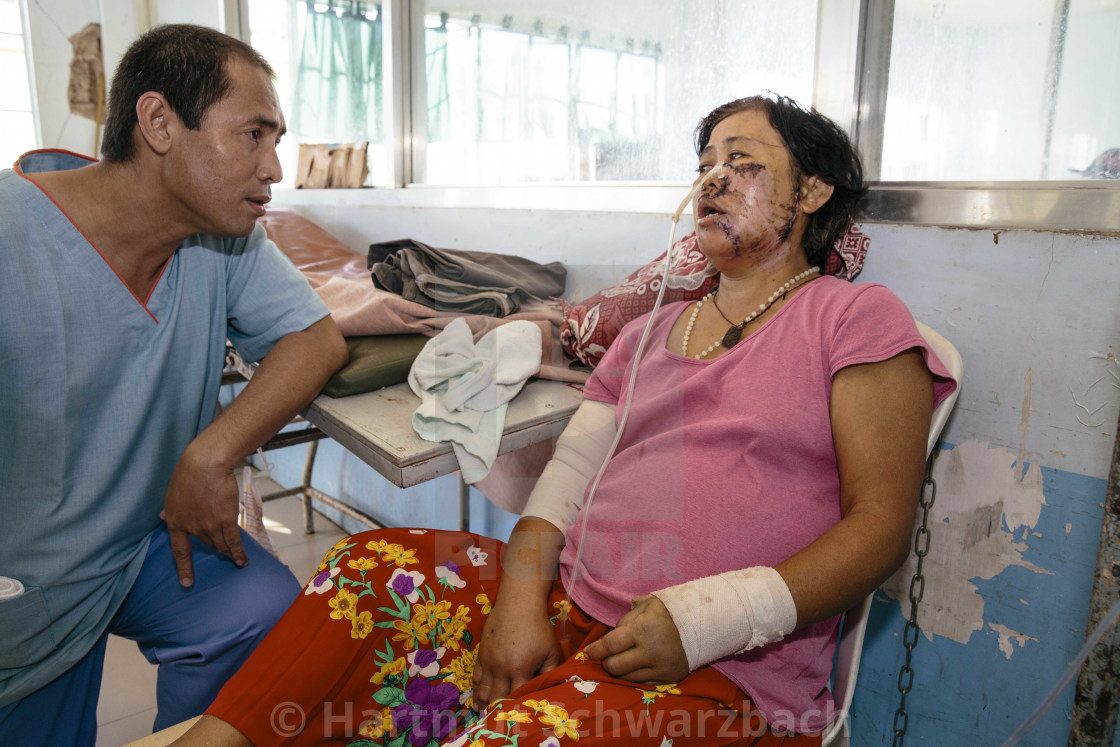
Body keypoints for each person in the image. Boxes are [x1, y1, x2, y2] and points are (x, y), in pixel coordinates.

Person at [176, 93, 957, 746]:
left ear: (813, 193)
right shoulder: (652, 329)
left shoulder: (853, 319)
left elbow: (880, 526)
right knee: (366, 568)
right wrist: (521, 597)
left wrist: (709, 620)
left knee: (524, 733)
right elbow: (568, 479)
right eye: (705, 166)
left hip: (720, 672)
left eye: (743, 163)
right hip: (569, 605)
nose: (714, 181)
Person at [0, 24, 348, 746]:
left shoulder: (226, 237)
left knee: (261, 611)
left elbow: (316, 337)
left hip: (139, 538)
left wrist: (212, 454)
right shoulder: (12, 238)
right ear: (159, 123)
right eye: (252, 134)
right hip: (25, 582)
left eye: (276, 138)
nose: (275, 168)